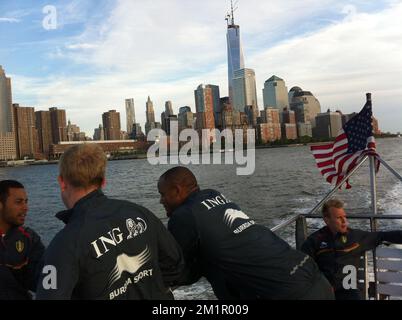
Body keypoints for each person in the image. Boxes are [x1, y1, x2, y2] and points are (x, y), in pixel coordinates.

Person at [157, 166, 334, 300]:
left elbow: (176, 269)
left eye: (163, 194)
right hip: (316, 278)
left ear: (177, 190)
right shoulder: (213, 194)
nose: (161, 200)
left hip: (287, 293)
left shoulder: (183, 216)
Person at [36, 144, 184, 300]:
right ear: (103, 182)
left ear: (62, 182)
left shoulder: (64, 245)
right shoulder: (139, 213)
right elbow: (175, 264)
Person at [301, 198, 402, 300]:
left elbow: (382, 236)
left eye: (344, 217)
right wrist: (321, 285)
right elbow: (304, 268)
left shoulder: (356, 237)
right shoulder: (314, 241)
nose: (344, 221)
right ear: (327, 220)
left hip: (349, 290)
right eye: (339, 218)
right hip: (323, 291)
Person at [0, 180, 45, 300]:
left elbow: (43, 279)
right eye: (18, 202)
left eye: (26, 202)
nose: (26, 208)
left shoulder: (29, 238)